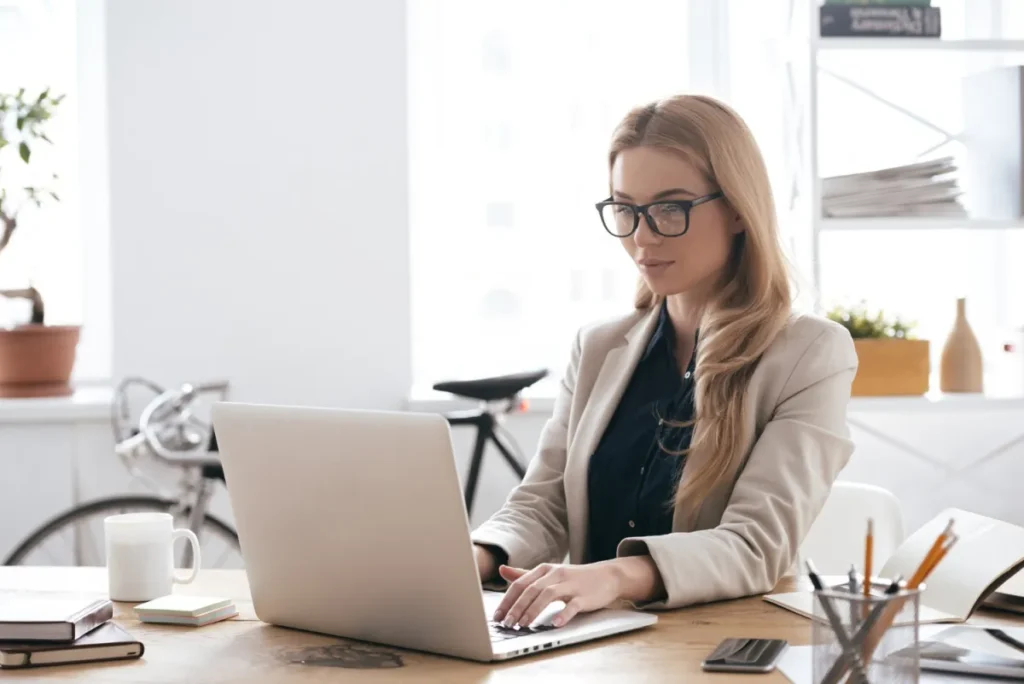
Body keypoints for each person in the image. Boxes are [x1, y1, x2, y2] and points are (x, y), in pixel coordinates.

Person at [469, 94, 858, 630]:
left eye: (670, 208)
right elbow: (544, 502)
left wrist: (615, 576)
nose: (641, 237)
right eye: (625, 209)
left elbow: (755, 545)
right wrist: (478, 555)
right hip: (590, 646)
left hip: (719, 645)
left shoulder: (810, 353)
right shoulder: (599, 346)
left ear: (740, 210)